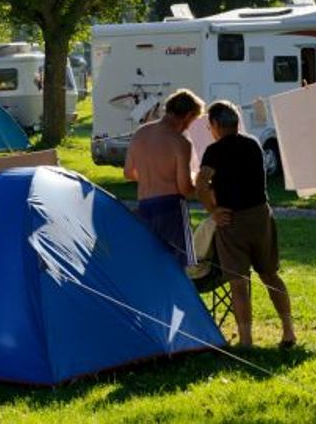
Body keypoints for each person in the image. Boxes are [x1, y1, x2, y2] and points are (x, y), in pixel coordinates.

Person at [195, 101, 296, 349]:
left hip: (233, 220)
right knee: (270, 275)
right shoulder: (253, 144)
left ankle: (246, 340)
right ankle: (288, 331)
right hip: (261, 215)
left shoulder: (214, 152)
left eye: (210, 126)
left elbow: (201, 184)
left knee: (239, 282)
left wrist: (214, 211)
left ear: (217, 125)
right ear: (237, 123)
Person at [124, 88, 203, 266]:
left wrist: (151, 175)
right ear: (188, 115)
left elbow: (128, 172)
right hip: (171, 208)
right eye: (193, 120)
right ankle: (180, 295)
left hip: (144, 206)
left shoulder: (140, 134)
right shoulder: (180, 142)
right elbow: (184, 188)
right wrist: (200, 186)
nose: (190, 126)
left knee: (151, 264)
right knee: (178, 265)